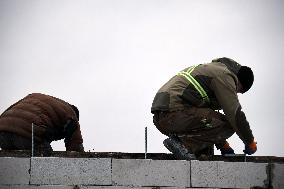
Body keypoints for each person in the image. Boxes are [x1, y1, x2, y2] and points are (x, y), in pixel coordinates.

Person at [151, 57, 257, 160]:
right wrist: (249, 141)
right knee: (229, 125)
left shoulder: (213, 70)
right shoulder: (224, 76)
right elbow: (234, 114)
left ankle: (189, 151)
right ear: (239, 81)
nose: (235, 92)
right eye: (238, 90)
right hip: (174, 114)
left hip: (163, 117)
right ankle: (184, 145)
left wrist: (223, 145)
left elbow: (211, 123)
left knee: (206, 144)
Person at [0, 93, 84, 154]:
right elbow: (75, 147)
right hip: (28, 136)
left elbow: (9, 110)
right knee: (47, 164)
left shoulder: (34, 96)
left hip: (2, 133)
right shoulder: (72, 115)